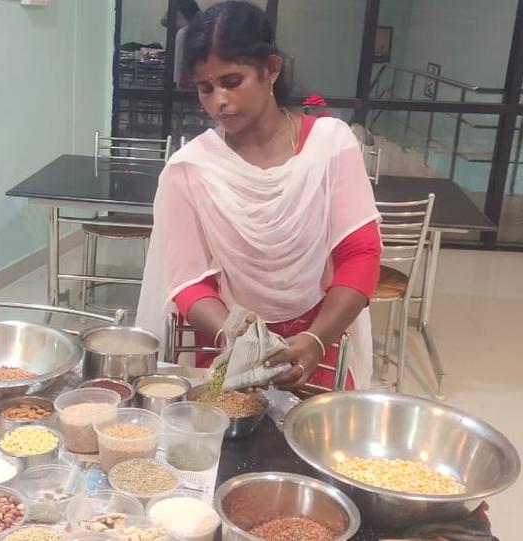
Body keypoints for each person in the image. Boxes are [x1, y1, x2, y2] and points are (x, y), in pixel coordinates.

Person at [136, 1, 382, 391]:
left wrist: (316, 339)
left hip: (320, 337)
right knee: (225, 446)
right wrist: (233, 339)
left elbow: (360, 255)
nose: (218, 100)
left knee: (315, 445)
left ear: (271, 69)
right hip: (228, 344)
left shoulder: (330, 144)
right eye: (205, 87)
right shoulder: (190, 169)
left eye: (232, 81)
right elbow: (187, 282)